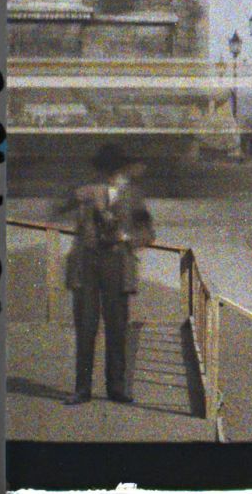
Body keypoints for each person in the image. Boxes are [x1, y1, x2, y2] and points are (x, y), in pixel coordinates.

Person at [56, 144, 156, 405]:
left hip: (117, 263)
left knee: (117, 329)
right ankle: (82, 389)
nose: (110, 176)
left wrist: (127, 238)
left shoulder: (133, 196)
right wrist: (74, 197)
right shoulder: (86, 192)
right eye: (106, 171)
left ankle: (116, 388)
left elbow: (148, 234)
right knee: (85, 327)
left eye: (114, 171)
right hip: (86, 263)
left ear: (121, 172)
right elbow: (55, 208)